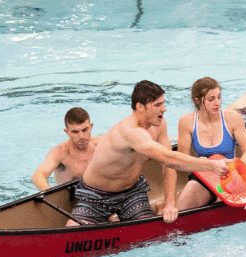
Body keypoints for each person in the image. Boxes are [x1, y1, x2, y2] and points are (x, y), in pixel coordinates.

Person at [73, 80, 229, 226]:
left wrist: (169, 203)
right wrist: (211, 165)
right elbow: (169, 159)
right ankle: (109, 217)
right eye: (157, 105)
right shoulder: (130, 131)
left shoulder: (159, 124)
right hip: (96, 196)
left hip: (132, 192)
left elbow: (168, 165)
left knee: (151, 235)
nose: (164, 109)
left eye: (163, 103)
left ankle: (118, 217)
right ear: (140, 107)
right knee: (73, 233)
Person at [175, 77, 246, 211]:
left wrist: (237, 166)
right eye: (211, 99)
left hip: (231, 174)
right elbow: (183, 160)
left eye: (219, 97)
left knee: (224, 209)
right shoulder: (186, 121)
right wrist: (199, 163)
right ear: (198, 101)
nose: (217, 103)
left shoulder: (232, 117)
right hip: (203, 175)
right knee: (180, 211)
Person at [32, 107, 101, 191]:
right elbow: (38, 176)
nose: (81, 136)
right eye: (75, 132)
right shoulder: (60, 153)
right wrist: (52, 195)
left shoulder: (101, 145)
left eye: (85, 130)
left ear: (91, 127)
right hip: (69, 194)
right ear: (67, 132)